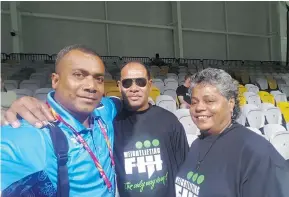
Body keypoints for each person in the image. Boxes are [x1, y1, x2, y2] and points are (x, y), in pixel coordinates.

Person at [3, 61, 189, 197]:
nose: (134, 88)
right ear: (119, 86)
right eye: (127, 83)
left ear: (150, 84)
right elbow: (70, 106)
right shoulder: (109, 117)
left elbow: (183, 168)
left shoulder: (169, 120)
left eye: (140, 82)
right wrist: (26, 105)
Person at [1, 45, 117, 197]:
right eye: (79, 75)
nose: (91, 86)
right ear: (55, 80)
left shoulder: (105, 110)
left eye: (99, 79)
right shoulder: (31, 133)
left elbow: (119, 102)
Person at [175, 68, 289, 197]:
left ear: (230, 103)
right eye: (194, 102)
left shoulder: (255, 153)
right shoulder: (197, 144)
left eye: (210, 101)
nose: (199, 107)